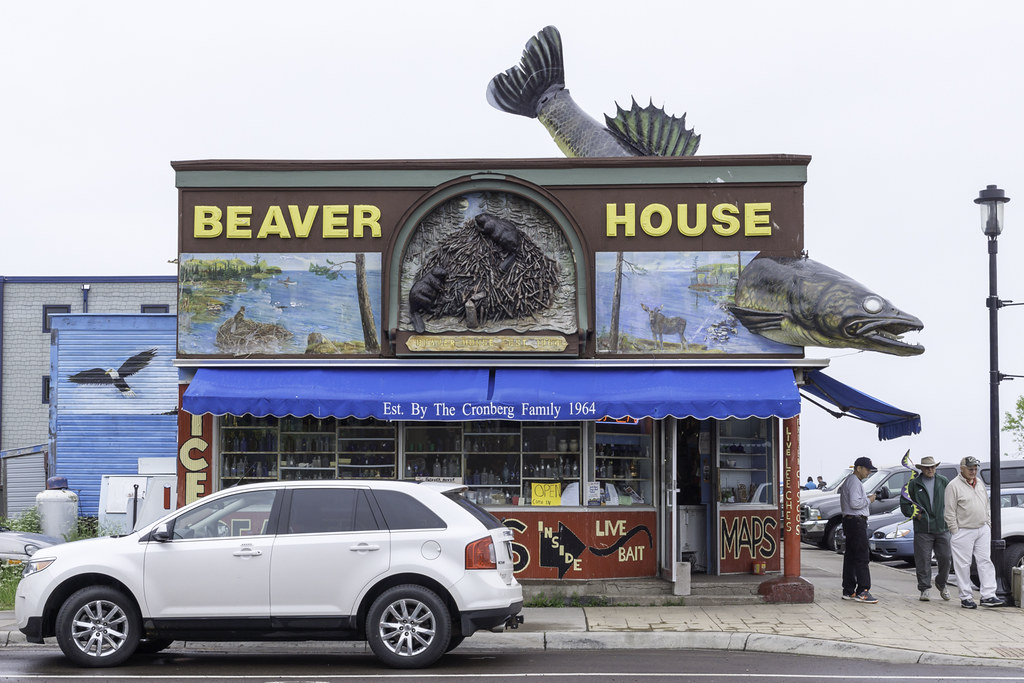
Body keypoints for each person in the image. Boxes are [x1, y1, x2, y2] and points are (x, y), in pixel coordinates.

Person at [944, 455, 1002, 608]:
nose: (973, 471)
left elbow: (986, 504)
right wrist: (955, 530)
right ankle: (966, 597)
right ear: (962, 469)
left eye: (975, 468)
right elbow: (949, 511)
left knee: (985, 561)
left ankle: (988, 595)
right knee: (963, 564)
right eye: (970, 469)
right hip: (963, 530)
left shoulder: (980, 483)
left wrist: (987, 523)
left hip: (982, 528)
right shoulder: (953, 485)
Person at [900, 455, 953, 601]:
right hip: (922, 529)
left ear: (936, 467)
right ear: (921, 468)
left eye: (933, 466)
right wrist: (914, 515)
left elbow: (952, 501)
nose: (930, 469)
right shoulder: (913, 484)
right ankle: (924, 588)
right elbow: (904, 504)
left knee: (946, 558)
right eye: (927, 467)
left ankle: (942, 584)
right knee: (923, 560)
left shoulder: (943, 481)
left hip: (942, 528)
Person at [839, 456, 878, 603]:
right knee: (862, 556)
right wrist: (869, 500)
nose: (868, 472)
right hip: (856, 522)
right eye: (867, 469)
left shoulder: (850, 481)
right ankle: (863, 590)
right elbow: (855, 503)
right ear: (858, 468)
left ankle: (848, 590)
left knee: (850, 556)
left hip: (849, 521)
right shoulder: (855, 482)